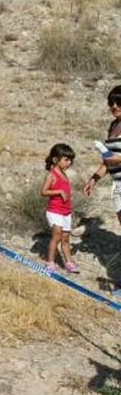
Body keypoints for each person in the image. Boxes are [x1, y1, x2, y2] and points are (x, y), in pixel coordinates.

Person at [84, 86, 121, 294]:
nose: (114, 106)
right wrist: (94, 178)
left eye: (119, 102)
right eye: (111, 103)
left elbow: (113, 158)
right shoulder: (114, 126)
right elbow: (107, 161)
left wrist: (114, 158)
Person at [41, 143, 78, 273]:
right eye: (66, 160)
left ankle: (68, 262)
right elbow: (43, 191)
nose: (69, 163)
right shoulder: (51, 175)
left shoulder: (64, 174)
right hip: (54, 211)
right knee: (56, 237)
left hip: (65, 212)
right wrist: (58, 192)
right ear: (56, 160)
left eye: (70, 160)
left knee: (66, 238)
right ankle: (50, 261)